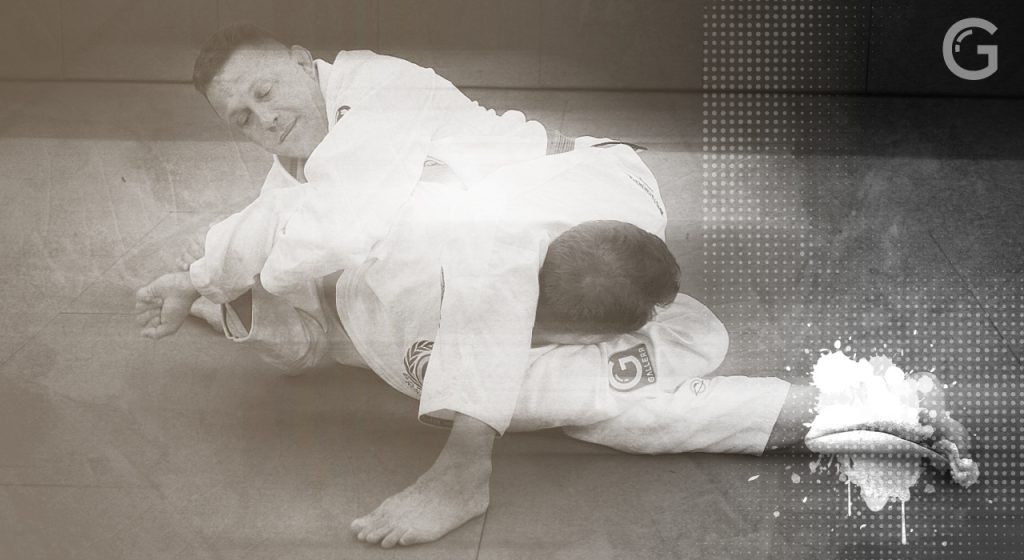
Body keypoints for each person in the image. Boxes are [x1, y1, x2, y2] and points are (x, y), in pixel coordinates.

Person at [134, 24, 970, 548]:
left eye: (266, 92)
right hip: (429, 312)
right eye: (241, 118)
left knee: (488, 245)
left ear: (301, 60)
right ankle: (880, 408)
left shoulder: (383, 91)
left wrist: (238, 271)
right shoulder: (311, 174)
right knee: (619, 409)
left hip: (566, 220)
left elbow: (329, 226)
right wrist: (200, 275)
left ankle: (464, 467)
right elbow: (287, 219)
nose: (264, 118)